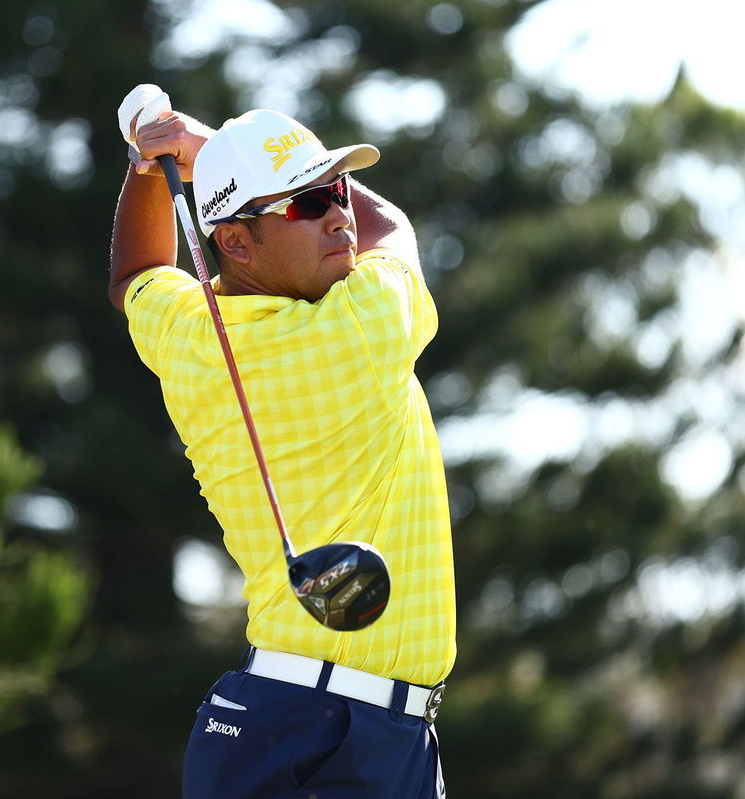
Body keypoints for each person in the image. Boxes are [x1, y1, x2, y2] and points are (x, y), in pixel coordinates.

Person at [109, 105, 456, 798]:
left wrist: (149, 166)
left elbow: (136, 273)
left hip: (278, 723)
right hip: (335, 736)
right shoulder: (369, 323)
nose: (340, 215)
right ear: (234, 241)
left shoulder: (189, 336)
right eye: (307, 201)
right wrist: (197, 148)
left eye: (337, 189)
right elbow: (393, 226)